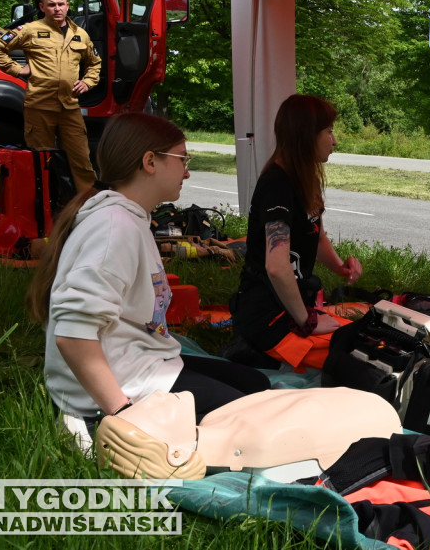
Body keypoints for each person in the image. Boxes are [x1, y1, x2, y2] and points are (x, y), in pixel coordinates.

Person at [27, 113, 270, 429]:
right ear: (150, 162)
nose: (188, 171)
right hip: (113, 391)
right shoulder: (114, 228)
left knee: (256, 386)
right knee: (256, 420)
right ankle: (98, 427)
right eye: (182, 159)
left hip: (137, 364)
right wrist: (122, 415)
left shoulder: (129, 219)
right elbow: (73, 336)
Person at [231, 94, 363, 372]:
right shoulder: (277, 185)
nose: (334, 140)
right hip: (268, 315)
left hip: (292, 309)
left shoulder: (304, 178)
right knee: (352, 358)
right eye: (328, 131)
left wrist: (340, 267)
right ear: (306, 135)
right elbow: (277, 268)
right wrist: (308, 322)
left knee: (358, 342)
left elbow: (317, 236)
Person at [0, 0, 102, 193]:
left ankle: (87, 204)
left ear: (67, 6)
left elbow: (95, 63)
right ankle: (44, 205)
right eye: (51, 5)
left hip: (69, 108)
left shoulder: (81, 34)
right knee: (40, 161)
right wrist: (17, 69)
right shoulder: (29, 30)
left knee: (81, 161)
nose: (57, 9)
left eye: (61, 4)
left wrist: (87, 82)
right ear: (42, 7)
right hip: (39, 107)